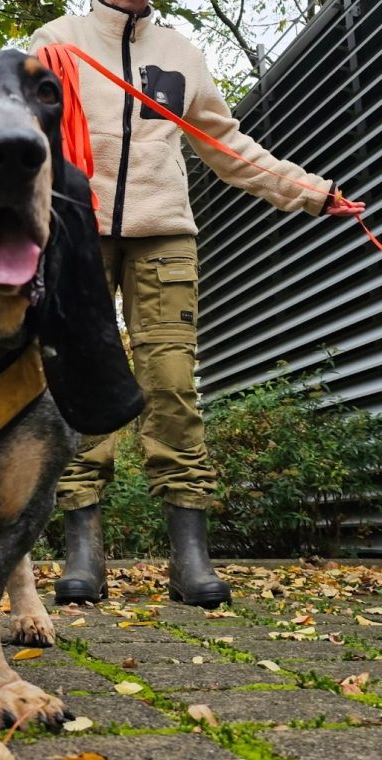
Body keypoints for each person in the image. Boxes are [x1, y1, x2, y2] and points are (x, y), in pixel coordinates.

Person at [29, 0, 365, 607]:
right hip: (78, 231)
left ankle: (190, 559)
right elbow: (28, 135)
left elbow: (226, 144)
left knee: (173, 385)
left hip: (165, 235)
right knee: (79, 385)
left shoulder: (181, 54)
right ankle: (84, 553)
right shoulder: (57, 39)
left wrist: (311, 193)